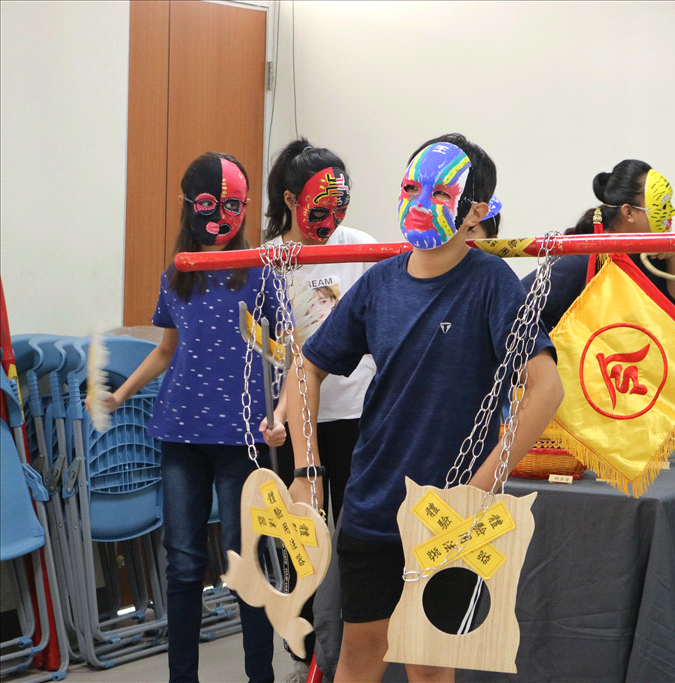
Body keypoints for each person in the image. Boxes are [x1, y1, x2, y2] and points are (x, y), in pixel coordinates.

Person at [284, 133, 563, 683]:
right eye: (412, 187)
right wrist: (305, 469)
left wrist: (477, 491)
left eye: (440, 193)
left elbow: (546, 389)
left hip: (447, 518)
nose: (419, 202)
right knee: (359, 654)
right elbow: (306, 367)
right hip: (372, 505)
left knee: (430, 665)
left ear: (475, 211)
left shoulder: (492, 284)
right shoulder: (379, 282)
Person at [99, 152, 280, 683]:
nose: (220, 217)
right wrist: (120, 394)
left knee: (243, 560)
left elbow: (290, 353)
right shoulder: (177, 274)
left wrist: (282, 414)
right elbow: (165, 350)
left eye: (232, 206)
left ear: (245, 207)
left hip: (241, 438)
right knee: (182, 563)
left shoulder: (260, 273)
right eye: (207, 205)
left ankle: (260, 676)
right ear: (188, 206)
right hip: (180, 433)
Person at [257, 138, 378, 682]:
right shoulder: (270, 259)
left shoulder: (364, 248)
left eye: (340, 207)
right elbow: (270, 353)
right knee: (302, 540)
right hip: (298, 421)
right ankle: (308, 654)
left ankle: (352, 647)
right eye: (319, 209)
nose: (331, 221)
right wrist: (277, 415)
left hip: (357, 413)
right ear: (290, 199)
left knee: (356, 536)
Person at [522, 159, 675, 332]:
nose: (671, 212)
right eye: (661, 206)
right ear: (628, 212)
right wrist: (545, 348)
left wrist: (674, 255)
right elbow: (517, 306)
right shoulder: (580, 261)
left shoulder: (645, 254)